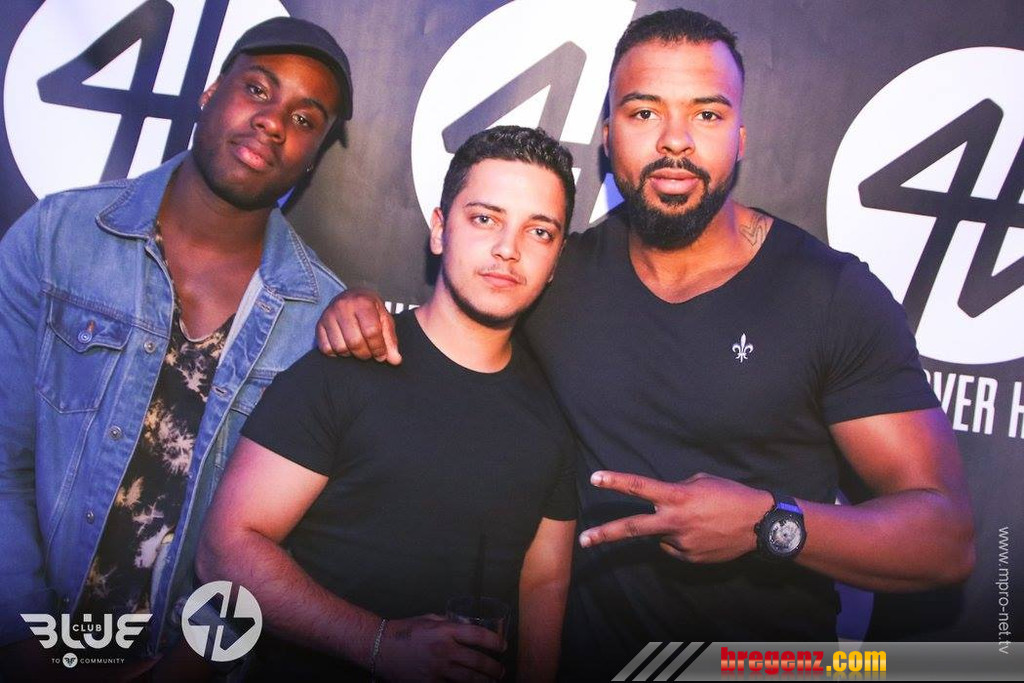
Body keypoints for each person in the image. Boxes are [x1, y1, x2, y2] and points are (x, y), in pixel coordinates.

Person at [315, 7, 975, 679]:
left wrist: (766, 524)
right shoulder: (558, 277)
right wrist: (357, 301)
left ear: (741, 138)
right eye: (644, 112)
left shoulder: (828, 296)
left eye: (707, 114)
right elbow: (453, 314)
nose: (675, 141)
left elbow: (945, 539)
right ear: (607, 137)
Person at [0, 16, 353, 678]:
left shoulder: (319, 324)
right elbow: (3, 457)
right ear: (210, 93)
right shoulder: (56, 238)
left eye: (305, 119)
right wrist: (23, 646)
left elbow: (291, 546)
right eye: (257, 89)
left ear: (314, 155)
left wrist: (187, 667)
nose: (273, 123)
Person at [197, 126, 578, 682]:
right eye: (485, 218)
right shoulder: (348, 365)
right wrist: (379, 644)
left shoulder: (553, 417)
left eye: (538, 231)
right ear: (440, 229)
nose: (508, 249)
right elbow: (224, 552)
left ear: (557, 258)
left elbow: (544, 583)